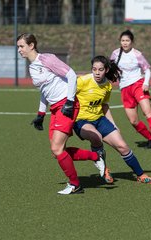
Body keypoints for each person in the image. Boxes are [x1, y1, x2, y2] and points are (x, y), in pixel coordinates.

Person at [16, 33, 107, 195]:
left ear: (31, 46)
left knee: (57, 148)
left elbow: (71, 75)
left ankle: (75, 185)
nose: (19, 50)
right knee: (57, 151)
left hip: (67, 105)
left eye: (21, 46)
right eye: (18, 47)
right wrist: (40, 114)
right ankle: (95, 156)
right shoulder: (32, 67)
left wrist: (70, 102)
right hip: (56, 109)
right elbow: (45, 91)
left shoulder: (46, 59)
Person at [73, 55, 151, 184]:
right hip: (81, 121)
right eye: (94, 69)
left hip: (99, 119)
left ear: (106, 70)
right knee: (96, 136)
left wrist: (113, 124)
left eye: (100, 69)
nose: (97, 72)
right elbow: (66, 95)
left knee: (123, 146)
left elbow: (104, 106)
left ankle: (140, 174)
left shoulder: (107, 85)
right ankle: (104, 168)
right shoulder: (82, 81)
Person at [110, 30, 151, 152]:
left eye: (127, 40)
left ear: (132, 42)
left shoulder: (137, 54)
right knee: (133, 121)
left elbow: (147, 69)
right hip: (124, 88)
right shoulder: (115, 54)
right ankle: (150, 138)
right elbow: (110, 68)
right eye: (123, 40)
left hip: (138, 84)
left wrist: (146, 83)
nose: (125, 43)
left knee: (147, 112)